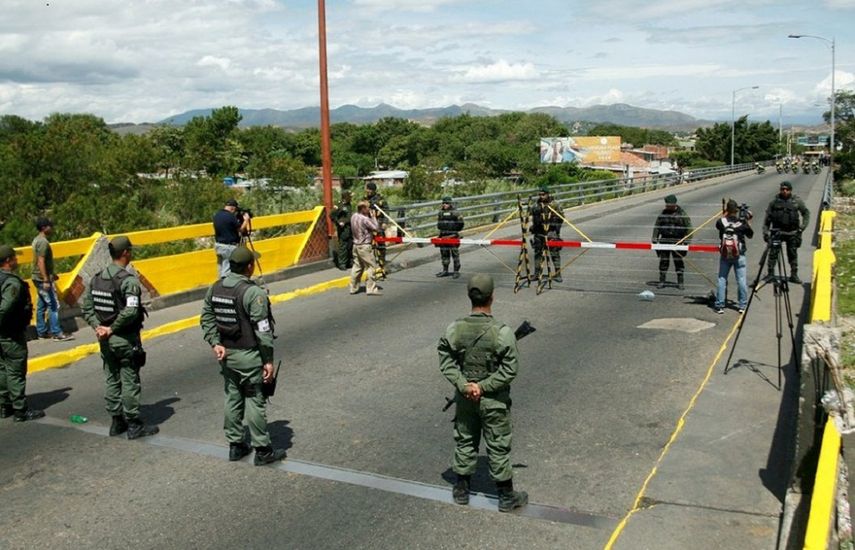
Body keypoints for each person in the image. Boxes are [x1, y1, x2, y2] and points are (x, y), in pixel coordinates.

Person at [438, 273, 528, 513]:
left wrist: (464, 384)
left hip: (465, 398)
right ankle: (506, 497)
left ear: (470, 296)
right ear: (492, 297)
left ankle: (461, 490)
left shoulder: (455, 329)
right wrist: (484, 386)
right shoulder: (502, 332)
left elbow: (445, 358)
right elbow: (510, 370)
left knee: (465, 439)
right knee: (498, 444)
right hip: (493, 400)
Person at [200, 246, 287, 466]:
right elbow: (263, 331)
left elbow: (206, 316)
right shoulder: (253, 293)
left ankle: (235, 445)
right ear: (249, 266)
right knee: (254, 400)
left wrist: (215, 342)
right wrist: (267, 360)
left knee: (232, 397)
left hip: (227, 354)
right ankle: (262, 449)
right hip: (248, 355)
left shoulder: (216, 287)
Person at [82, 236, 158, 438]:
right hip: (123, 338)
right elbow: (131, 312)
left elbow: (87, 307)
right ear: (125, 253)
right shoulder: (128, 281)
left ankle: (116, 421)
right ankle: (134, 424)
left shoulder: (97, 278)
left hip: (105, 339)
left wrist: (98, 326)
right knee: (129, 378)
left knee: (111, 377)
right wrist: (111, 328)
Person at [0, 245, 44, 422]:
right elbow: (4, 308)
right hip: (11, 334)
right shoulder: (11, 282)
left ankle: (5, 406)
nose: (17, 260)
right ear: (8, 261)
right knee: (16, 370)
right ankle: (20, 409)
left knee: (2, 368)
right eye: (15, 258)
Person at [32, 217, 72, 341]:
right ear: (44, 228)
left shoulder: (36, 240)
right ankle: (56, 332)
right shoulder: (43, 242)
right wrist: (45, 279)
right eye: (50, 226)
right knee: (53, 305)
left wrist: (50, 274)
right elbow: (41, 260)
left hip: (36, 277)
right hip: (41, 278)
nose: (52, 228)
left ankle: (42, 331)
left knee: (42, 305)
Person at [763, 181, 810, 283]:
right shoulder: (774, 202)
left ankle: (794, 274)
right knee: (773, 254)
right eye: (782, 189)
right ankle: (770, 274)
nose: (784, 191)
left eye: (787, 189)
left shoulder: (796, 201)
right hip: (777, 233)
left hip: (792, 233)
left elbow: (806, 213)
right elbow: (767, 219)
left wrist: (802, 227)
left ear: (790, 190)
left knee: (792, 254)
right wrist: (765, 233)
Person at [714, 200, 754, 314]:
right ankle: (742, 305)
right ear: (736, 211)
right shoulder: (741, 223)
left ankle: (720, 304)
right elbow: (750, 235)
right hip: (739, 254)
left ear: (727, 210)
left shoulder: (721, 222)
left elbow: (719, 225)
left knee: (722, 279)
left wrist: (724, 215)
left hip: (725, 255)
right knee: (741, 280)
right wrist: (748, 221)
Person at [651, 194, 692, 289]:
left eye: (669, 205)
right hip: (664, 240)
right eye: (667, 205)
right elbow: (657, 227)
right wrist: (654, 238)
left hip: (678, 241)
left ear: (674, 204)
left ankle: (680, 282)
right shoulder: (663, 214)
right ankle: (662, 280)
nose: (667, 206)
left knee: (678, 262)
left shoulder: (682, 214)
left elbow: (689, 229)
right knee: (664, 261)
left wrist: (686, 240)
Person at [529, 186, 563, 282]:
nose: (541, 196)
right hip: (539, 232)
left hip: (551, 232)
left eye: (543, 194)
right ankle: (537, 273)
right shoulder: (536, 205)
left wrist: (554, 225)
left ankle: (557, 274)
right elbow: (532, 215)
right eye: (539, 194)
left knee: (554, 253)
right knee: (538, 253)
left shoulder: (555, 204)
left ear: (548, 194)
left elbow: (561, 218)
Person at [348, 201, 382, 296]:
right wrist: (373, 217)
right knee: (371, 266)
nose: (369, 210)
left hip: (356, 245)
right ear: (363, 208)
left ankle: (353, 287)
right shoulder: (365, 219)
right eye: (367, 208)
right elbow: (376, 228)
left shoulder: (354, 216)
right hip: (364, 245)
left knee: (357, 266)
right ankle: (371, 288)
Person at [213, 198, 252, 278]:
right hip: (229, 247)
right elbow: (240, 230)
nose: (235, 212)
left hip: (218, 246)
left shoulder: (217, 215)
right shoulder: (230, 217)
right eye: (235, 210)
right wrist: (246, 220)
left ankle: (219, 286)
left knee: (220, 269)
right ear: (232, 208)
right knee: (227, 271)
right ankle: (226, 287)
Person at [364, 182, 388, 280]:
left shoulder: (380, 200)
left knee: (381, 249)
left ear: (373, 190)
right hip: (368, 228)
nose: (368, 191)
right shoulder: (365, 200)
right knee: (369, 250)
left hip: (378, 227)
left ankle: (383, 270)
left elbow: (386, 211)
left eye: (369, 189)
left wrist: (384, 222)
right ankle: (372, 272)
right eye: (367, 189)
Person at [436, 196, 464, 279]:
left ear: (450, 203)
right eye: (444, 203)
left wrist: (454, 231)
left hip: (452, 236)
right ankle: (445, 270)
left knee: (455, 254)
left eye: (447, 203)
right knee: (444, 254)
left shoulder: (455, 212)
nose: (445, 204)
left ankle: (456, 271)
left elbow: (461, 223)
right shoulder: (440, 212)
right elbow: (439, 223)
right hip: (443, 236)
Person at [330, 190, 354, 270]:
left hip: (350, 228)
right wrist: (338, 222)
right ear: (346, 197)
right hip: (343, 229)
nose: (351, 198)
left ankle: (349, 262)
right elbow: (331, 215)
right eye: (350, 196)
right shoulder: (340, 205)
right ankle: (342, 264)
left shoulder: (348, 204)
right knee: (343, 246)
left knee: (350, 246)